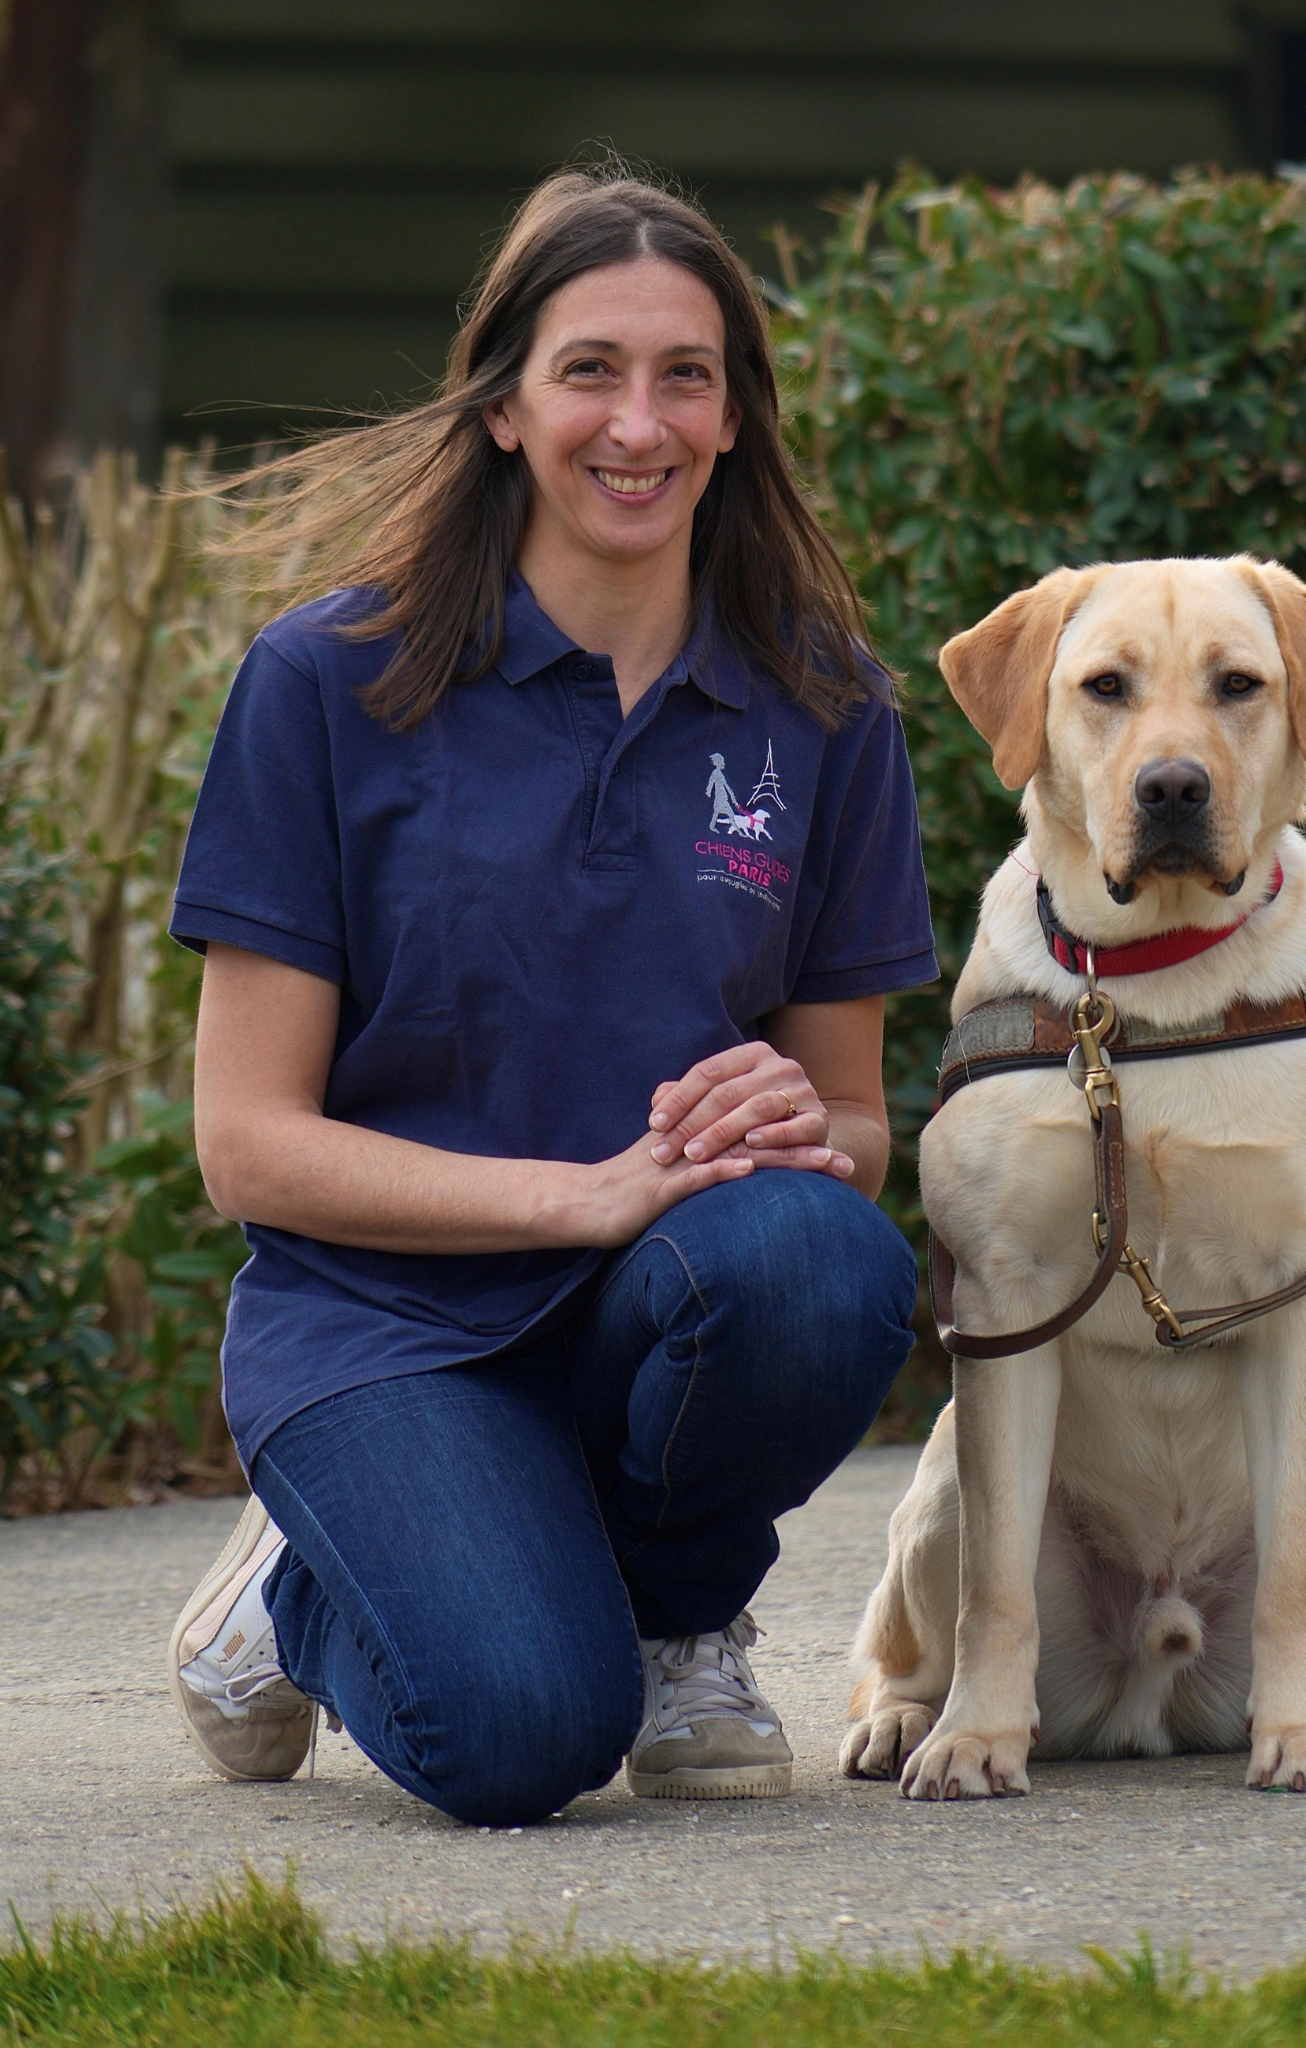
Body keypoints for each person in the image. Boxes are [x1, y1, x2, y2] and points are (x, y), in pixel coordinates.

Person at [162, 169, 936, 1827]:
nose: (636, 423)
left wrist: (812, 1133)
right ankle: (301, 1587)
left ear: (737, 419)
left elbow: (854, 1124)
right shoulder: (329, 685)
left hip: (667, 1306)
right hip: (386, 1331)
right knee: (518, 1746)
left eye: (685, 375)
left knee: (821, 1261)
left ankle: (674, 1615)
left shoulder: (822, 707)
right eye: (589, 369)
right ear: (502, 404)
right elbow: (247, 1146)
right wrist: (577, 1200)